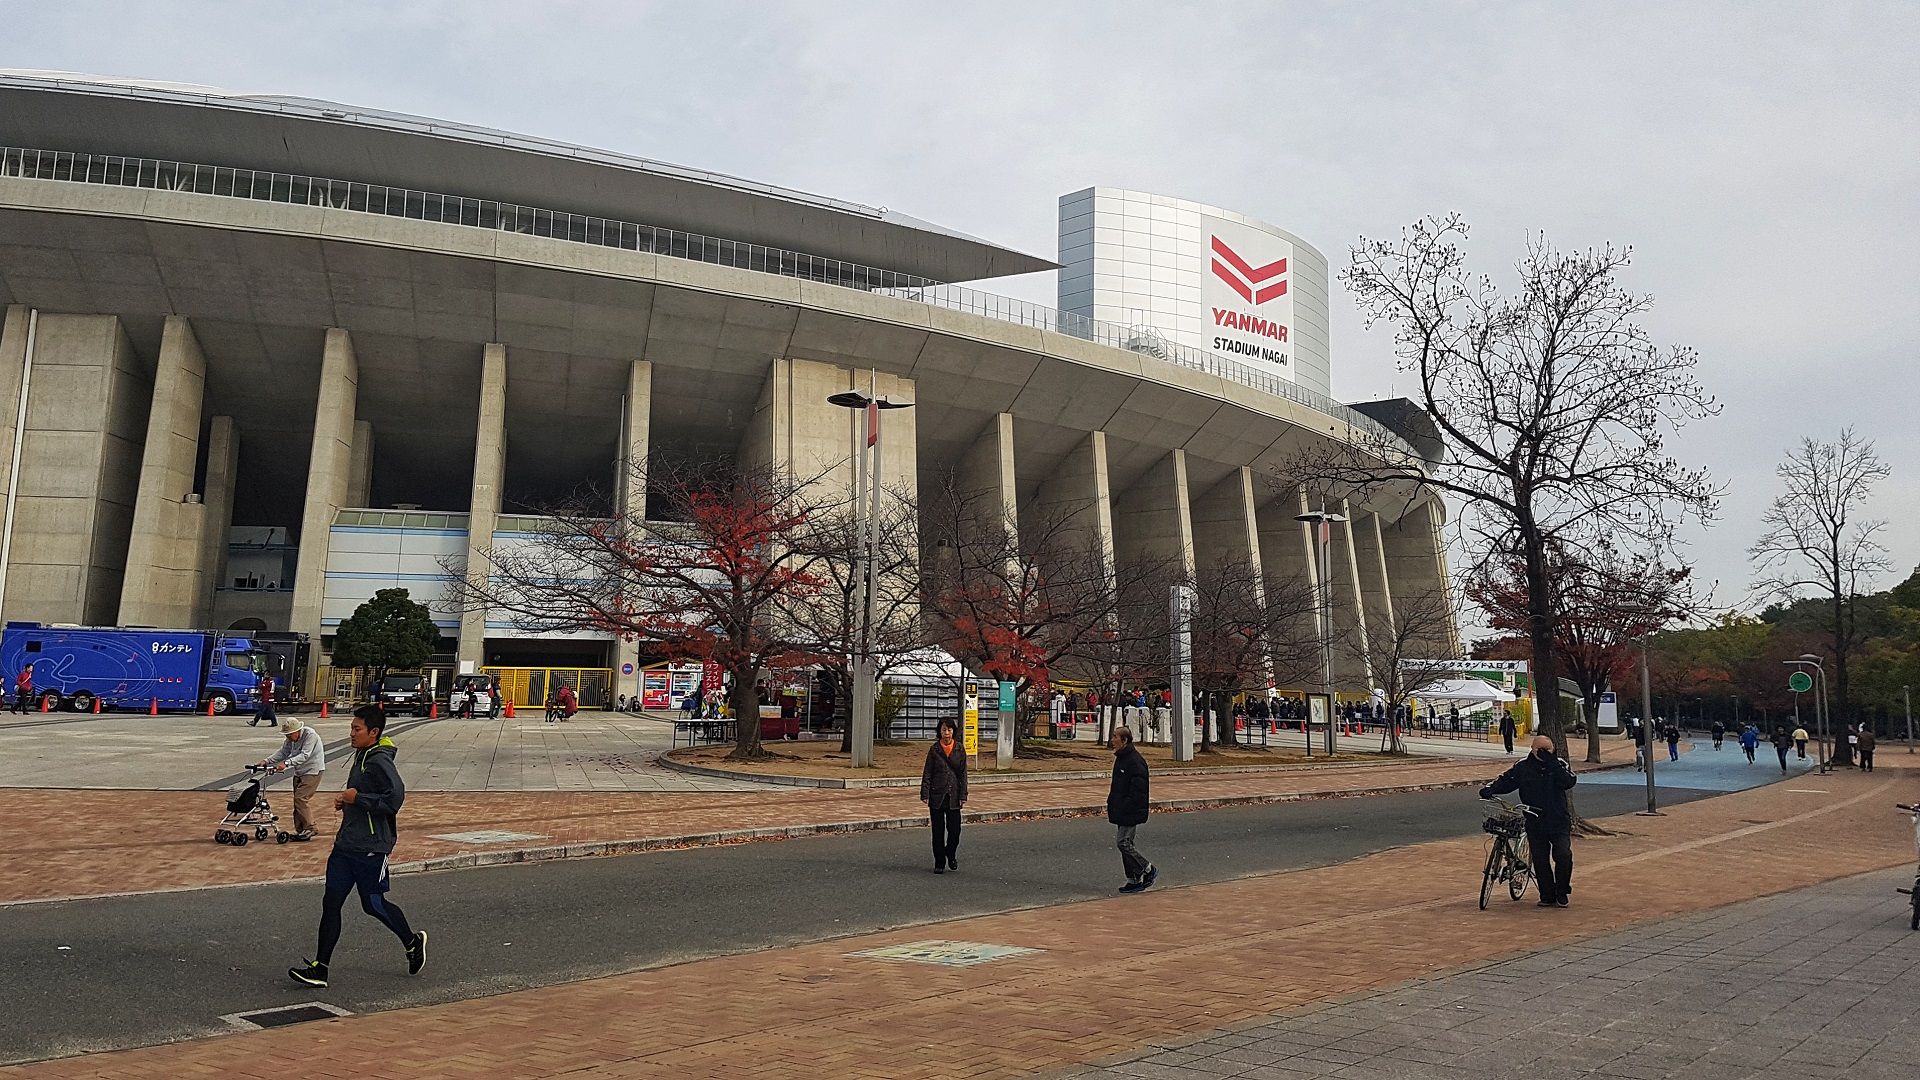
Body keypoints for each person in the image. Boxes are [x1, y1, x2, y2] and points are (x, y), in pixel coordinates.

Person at [289, 705, 426, 988]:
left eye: (357, 729)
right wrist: (346, 801)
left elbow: (393, 799)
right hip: (346, 844)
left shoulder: (379, 761)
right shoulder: (362, 754)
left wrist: (358, 799)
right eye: (351, 728)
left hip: (372, 847)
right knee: (331, 903)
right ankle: (320, 968)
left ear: (373, 733)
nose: (351, 734)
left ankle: (412, 942)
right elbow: (361, 794)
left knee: (373, 904)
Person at [1479, 735, 1578, 907]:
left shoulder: (1559, 764)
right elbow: (1507, 780)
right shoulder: (1523, 766)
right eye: (1541, 749)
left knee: (1563, 854)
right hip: (1534, 819)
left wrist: (1551, 762)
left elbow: (1569, 781)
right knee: (1540, 858)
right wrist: (1490, 789)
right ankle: (1547, 895)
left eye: (1548, 749)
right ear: (1532, 749)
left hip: (1558, 819)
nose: (1545, 753)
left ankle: (1562, 891)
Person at [257, 715, 326, 840]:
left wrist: (286, 763)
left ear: (297, 731)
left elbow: (305, 755)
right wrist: (267, 761)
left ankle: (310, 828)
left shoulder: (310, 735)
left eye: (289, 735)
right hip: (299, 771)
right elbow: (283, 752)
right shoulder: (291, 739)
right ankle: (301, 830)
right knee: (297, 801)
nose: (288, 738)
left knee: (301, 798)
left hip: (312, 770)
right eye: (286, 735)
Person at [1107, 725, 1157, 893]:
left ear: (1124, 740)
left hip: (1130, 810)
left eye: (1115, 736)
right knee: (1126, 843)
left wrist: (1125, 806)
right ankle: (1133, 879)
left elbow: (1138, 792)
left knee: (1123, 843)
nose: (1112, 739)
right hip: (1121, 808)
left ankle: (1148, 868)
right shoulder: (1121, 758)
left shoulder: (1135, 762)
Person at [919, 719, 968, 873]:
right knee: (938, 831)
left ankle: (950, 853)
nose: (947, 733)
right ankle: (939, 862)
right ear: (939, 731)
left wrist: (963, 795)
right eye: (944, 730)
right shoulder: (934, 750)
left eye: (949, 730)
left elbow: (963, 774)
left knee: (955, 830)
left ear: (953, 731)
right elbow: (927, 772)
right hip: (937, 795)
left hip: (953, 796)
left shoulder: (959, 749)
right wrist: (925, 793)